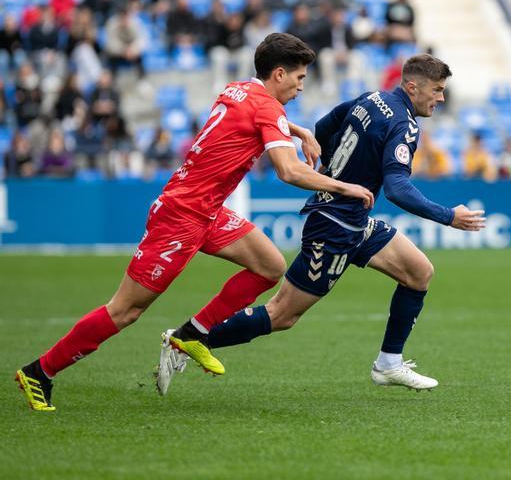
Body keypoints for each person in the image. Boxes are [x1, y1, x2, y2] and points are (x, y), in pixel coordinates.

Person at [14, 33, 375, 411]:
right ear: (279, 74)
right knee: (125, 311)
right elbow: (288, 170)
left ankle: (191, 334)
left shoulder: (237, 90)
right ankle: (40, 371)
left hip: (208, 211)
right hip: (180, 217)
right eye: (299, 78)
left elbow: (256, 120)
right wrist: (343, 186)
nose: (302, 86)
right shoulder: (267, 110)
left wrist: (296, 130)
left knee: (269, 265)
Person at [157, 54, 485, 395]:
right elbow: (398, 189)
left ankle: (389, 364)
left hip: (353, 219)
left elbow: (326, 126)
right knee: (283, 314)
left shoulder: (372, 98)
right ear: (413, 86)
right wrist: (449, 216)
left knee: (418, 272)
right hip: (333, 227)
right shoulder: (404, 124)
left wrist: (333, 166)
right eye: (437, 89)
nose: (441, 98)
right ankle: (187, 338)